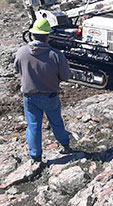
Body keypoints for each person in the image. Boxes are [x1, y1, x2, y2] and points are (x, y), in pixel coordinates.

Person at [14, 18, 73, 162]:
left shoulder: (21, 52)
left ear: (33, 34)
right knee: (56, 122)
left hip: (30, 97)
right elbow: (66, 76)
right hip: (50, 97)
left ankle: (36, 156)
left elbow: (17, 70)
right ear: (48, 36)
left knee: (33, 126)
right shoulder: (56, 54)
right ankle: (65, 145)